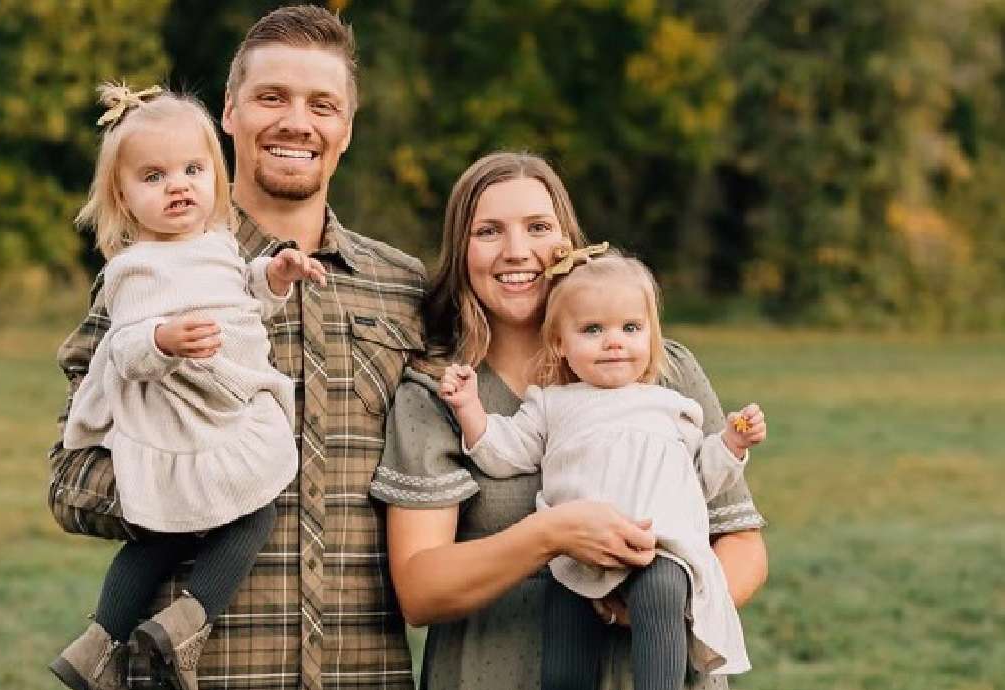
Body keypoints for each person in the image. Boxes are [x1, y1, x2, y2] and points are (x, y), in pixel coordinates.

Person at [50, 6, 424, 690]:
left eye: (322, 104)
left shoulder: (401, 290)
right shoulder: (148, 276)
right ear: (230, 112)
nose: (296, 121)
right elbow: (68, 483)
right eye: (271, 97)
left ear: (346, 126)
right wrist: (178, 481)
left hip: (362, 674)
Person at [370, 152, 769, 690]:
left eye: (538, 227)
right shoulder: (439, 392)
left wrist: (660, 604)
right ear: (462, 251)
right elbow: (420, 592)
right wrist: (549, 535)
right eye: (488, 231)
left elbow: (742, 546)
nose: (517, 251)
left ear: (568, 242)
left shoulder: (661, 371)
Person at [50, 83, 327, 690]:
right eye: (154, 176)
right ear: (122, 198)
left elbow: (241, 299)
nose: (177, 185)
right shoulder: (134, 268)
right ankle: (182, 624)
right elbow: (123, 347)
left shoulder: (218, 246)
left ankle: (101, 644)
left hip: (225, 408)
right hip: (186, 417)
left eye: (192, 170)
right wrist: (164, 339)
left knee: (168, 532)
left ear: (216, 178)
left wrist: (273, 275)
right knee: (240, 513)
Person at [437, 249, 766, 690]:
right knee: (566, 649)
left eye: (631, 328)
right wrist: (469, 408)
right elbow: (503, 451)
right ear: (560, 343)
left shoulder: (672, 406)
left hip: (659, 549)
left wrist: (732, 444)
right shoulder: (552, 404)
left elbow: (700, 482)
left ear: (651, 336)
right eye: (592, 330)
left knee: (662, 594)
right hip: (576, 553)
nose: (614, 341)